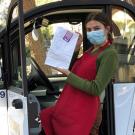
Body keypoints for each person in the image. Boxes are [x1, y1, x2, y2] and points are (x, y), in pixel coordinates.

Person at [40, 12, 118, 135]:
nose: (92, 32)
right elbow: (74, 69)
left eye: (96, 28)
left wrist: (68, 74)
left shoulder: (110, 54)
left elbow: (96, 88)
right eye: (89, 29)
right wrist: (76, 49)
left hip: (83, 111)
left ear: (107, 29)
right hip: (72, 106)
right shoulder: (91, 50)